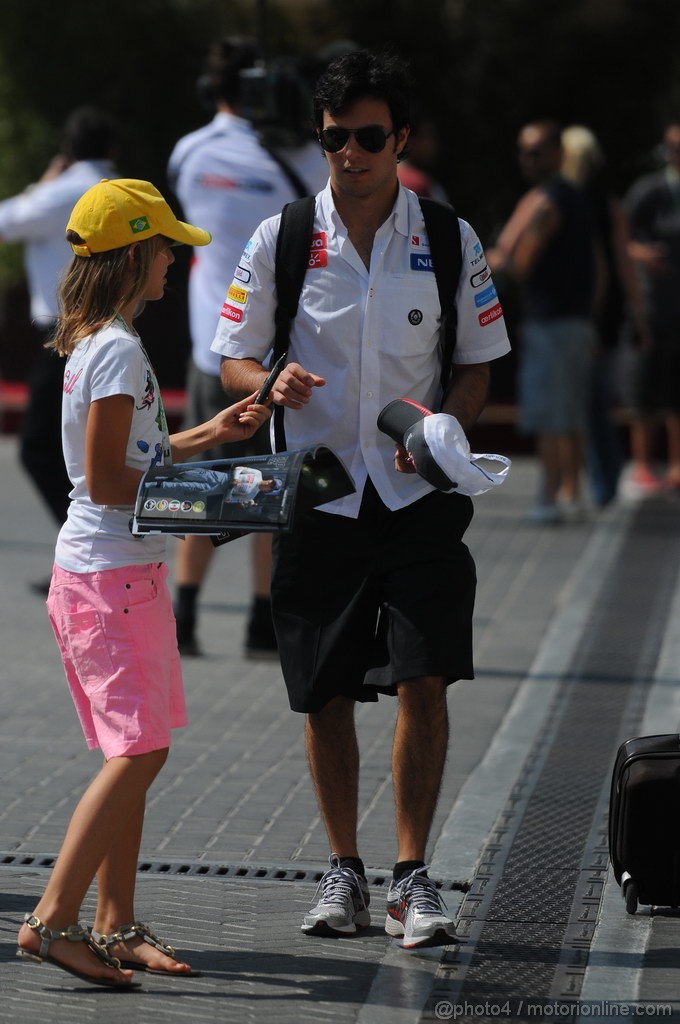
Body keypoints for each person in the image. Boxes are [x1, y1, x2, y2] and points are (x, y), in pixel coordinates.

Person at [212, 50, 511, 948]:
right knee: (326, 690)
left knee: (426, 677)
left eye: (370, 138)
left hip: (417, 495)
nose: (351, 154)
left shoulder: (452, 238)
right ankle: (343, 869)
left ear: (401, 140)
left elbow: (477, 364)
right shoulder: (283, 237)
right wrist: (269, 382)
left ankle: (412, 878)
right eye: (336, 137)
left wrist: (443, 432)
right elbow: (233, 350)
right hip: (319, 489)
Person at [15, 178, 270, 988]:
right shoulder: (119, 348)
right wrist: (217, 493)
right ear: (135, 254)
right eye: (166, 247)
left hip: (110, 578)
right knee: (139, 752)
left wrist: (208, 434)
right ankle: (53, 922)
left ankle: (115, 924)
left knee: (136, 749)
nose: (176, 260)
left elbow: (130, 459)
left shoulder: (100, 339)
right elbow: (106, 481)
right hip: (113, 579)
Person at [168, 36, 328, 658]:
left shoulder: (189, 153)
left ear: (216, 91)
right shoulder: (303, 164)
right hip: (273, 357)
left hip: (213, 350)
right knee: (267, 484)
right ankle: (263, 623)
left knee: (202, 481)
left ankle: (183, 617)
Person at [0, 107, 118, 591]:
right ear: (112, 149)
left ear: (67, 152)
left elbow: (5, 222)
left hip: (65, 335)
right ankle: (92, 553)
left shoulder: (61, 192)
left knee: (38, 449)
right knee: (90, 453)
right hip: (114, 330)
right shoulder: (121, 187)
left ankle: (81, 553)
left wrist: (42, 183)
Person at [488, 119, 597, 523]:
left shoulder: (548, 200)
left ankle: (549, 498)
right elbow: (599, 264)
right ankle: (573, 492)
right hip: (577, 322)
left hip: (551, 323)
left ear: (556, 153)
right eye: (523, 151)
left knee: (551, 415)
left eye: (535, 151)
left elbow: (520, 259)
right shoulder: (577, 197)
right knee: (570, 413)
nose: (527, 160)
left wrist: (496, 261)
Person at [560, 125, 649, 506]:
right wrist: (638, 314)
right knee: (595, 401)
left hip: (584, 315)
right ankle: (597, 480)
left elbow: (606, 265)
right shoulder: (602, 201)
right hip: (603, 314)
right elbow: (623, 264)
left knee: (583, 403)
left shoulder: (566, 200)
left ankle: (593, 482)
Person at [624, 118, 680, 491]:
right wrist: (642, 254)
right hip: (650, 306)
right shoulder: (649, 190)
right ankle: (643, 464)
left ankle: (677, 466)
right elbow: (620, 239)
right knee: (644, 388)